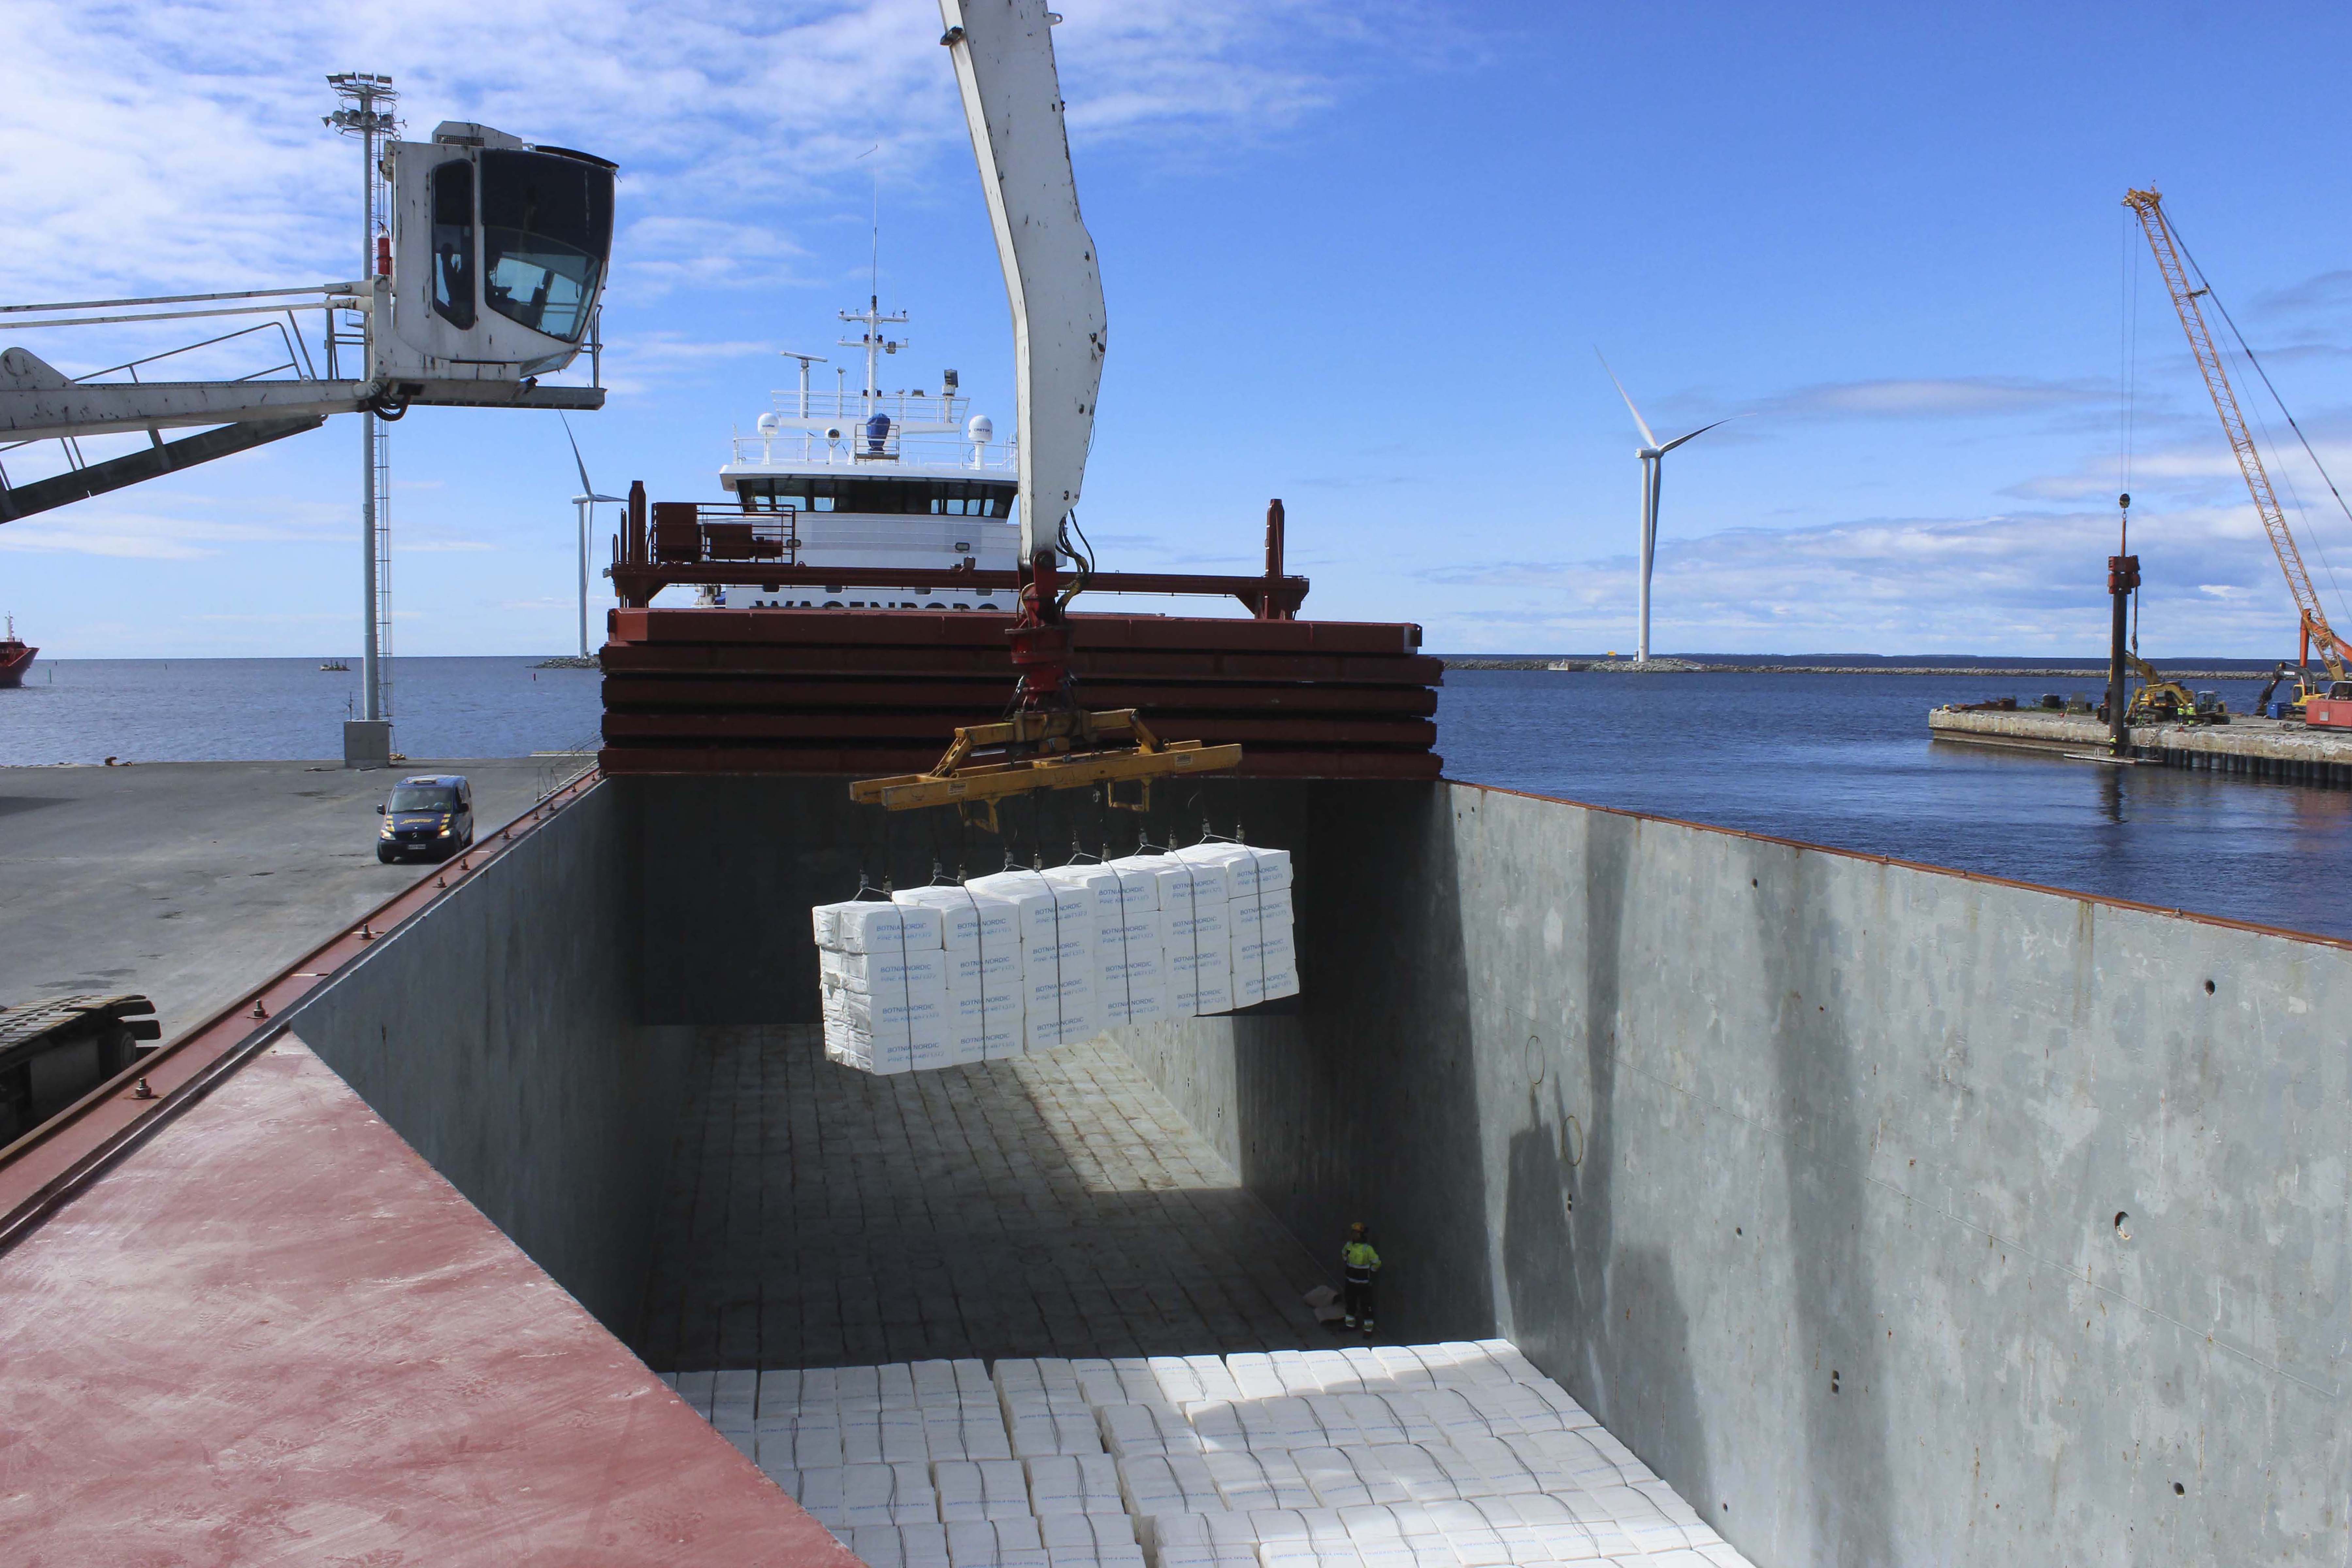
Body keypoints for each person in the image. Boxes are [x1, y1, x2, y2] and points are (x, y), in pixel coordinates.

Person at [1341, 1221, 1381, 1333]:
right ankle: (1350, 1326)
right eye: (1353, 1233)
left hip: (1363, 1284)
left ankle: (1368, 1330)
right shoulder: (1349, 1246)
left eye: (1357, 1233)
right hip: (1350, 1282)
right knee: (1350, 1304)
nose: (1354, 1235)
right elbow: (1344, 1255)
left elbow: (1377, 1263)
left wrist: (1371, 1271)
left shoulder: (1367, 1249)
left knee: (1366, 1306)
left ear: (1362, 1235)